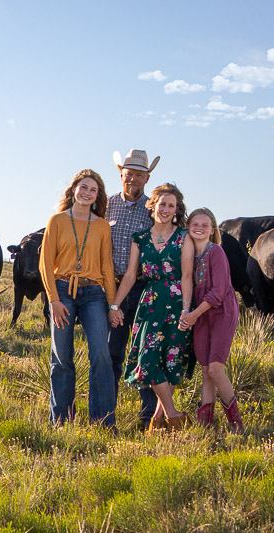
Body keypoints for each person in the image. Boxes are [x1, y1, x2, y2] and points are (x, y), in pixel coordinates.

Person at [110, 183, 192, 432]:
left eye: (171, 206)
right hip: (150, 302)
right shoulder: (141, 238)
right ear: (153, 205)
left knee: (172, 359)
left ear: (176, 210)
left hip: (177, 301)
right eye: (162, 204)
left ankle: (158, 421)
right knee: (147, 360)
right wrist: (115, 304)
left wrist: (187, 309)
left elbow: (187, 275)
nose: (166, 209)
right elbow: (131, 276)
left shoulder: (183, 236)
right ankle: (173, 414)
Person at [38, 169, 118, 427]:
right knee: (62, 356)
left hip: (94, 293)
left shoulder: (102, 226)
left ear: (97, 196)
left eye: (92, 190)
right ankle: (61, 421)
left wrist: (113, 304)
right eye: (83, 187)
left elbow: (107, 267)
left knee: (101, 355)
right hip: (62, 292)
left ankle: (103, 422)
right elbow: (46, 263)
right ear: (73, 190)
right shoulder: (57, 221)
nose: (87, 193)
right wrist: (53, 300)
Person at [106, 149, 160, 431]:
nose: (134, 179)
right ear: (121, 174)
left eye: (139, 174)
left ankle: (148, 415)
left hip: (143, 286)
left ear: (147, 177)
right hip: (112, 287)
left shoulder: (154, 208)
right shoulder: (106, 205)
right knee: (111, 351)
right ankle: (106, 412)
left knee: (143, 351)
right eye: (129, 173)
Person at [179, 208, 244, 432]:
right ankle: (205, 426)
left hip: (221, 311)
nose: (199, 227)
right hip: (201, 313)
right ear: (188, 227)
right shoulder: (190, 256)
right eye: (195, 223)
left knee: (216, 369)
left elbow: (218, 292)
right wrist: (188, 313)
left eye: (205, 225)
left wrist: (192, 316)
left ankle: (236, 424)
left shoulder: (215, 251)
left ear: (212, 229)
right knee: (206, 370)